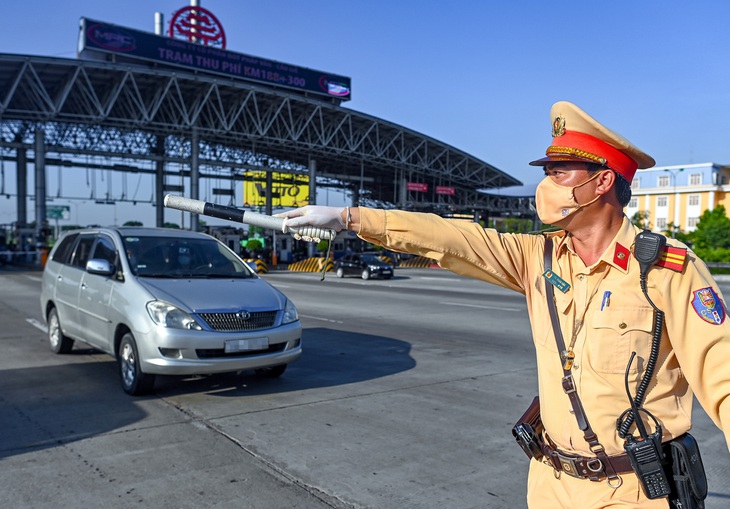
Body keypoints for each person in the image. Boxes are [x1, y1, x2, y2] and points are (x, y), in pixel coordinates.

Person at [278, 101, 730, 508]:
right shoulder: (539, 257)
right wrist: (351, 217)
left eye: (559, 172)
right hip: (551, 483)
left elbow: (722, 375)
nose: (546, 184)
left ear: (602, 181)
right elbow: (455, 238)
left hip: (632, 493)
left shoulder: (666, 269)